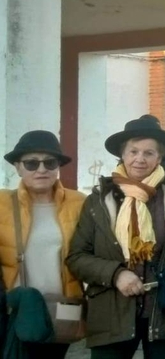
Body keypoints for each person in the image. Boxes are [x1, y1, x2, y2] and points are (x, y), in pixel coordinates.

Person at [66, 117, 165, 359]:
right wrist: (116, 274)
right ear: (122, 155)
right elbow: (77, 257)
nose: (140, 159)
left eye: (149, 153)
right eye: (133, 151)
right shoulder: (99, 201)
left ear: (159, 158)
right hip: (111, 311)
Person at [0, 131, 86, 358]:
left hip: (62, 308)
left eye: (50, 162)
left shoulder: (78, 203)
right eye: (31, 163)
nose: (41, 169)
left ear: (58, 166)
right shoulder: (2, 203)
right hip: (16, 310)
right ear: (18, 167)